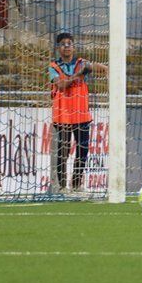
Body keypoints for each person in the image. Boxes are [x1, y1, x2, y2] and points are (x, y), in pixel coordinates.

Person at [49, 32, 107, 193]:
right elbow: (61, 85)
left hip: (81, 114)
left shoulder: (81, 62)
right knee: (64, 150)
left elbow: (102, 69)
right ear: (58, 48)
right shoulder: (53, 67)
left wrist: (100, 69)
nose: (67, 46)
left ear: (73, 47)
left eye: (70, 44)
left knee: (83, 150)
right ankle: (62, 186)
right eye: (63, 44)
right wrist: (80, 74)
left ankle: (76, 184)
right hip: (63, 116)